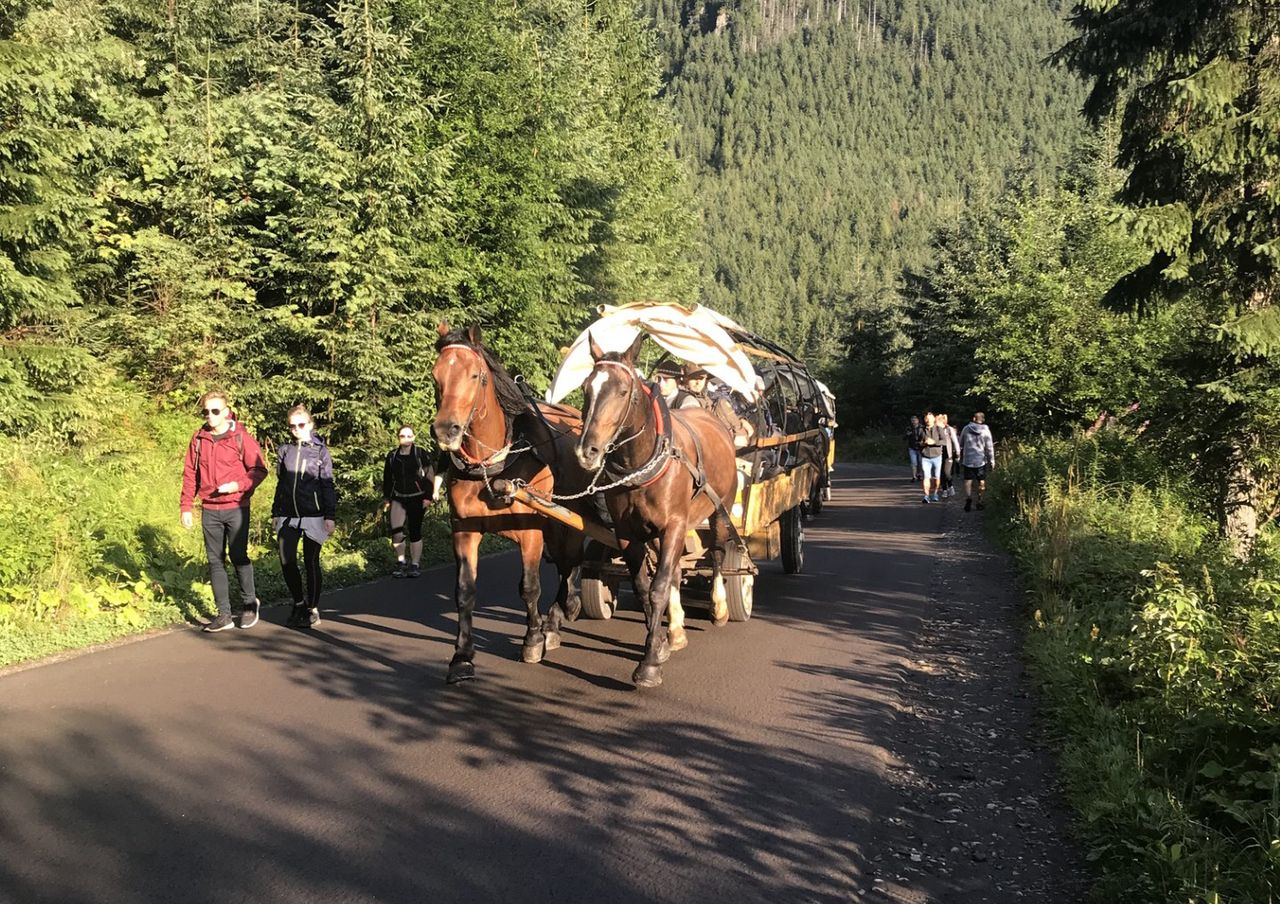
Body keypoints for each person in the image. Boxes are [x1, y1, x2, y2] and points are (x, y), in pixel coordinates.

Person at [180, 389, 269, 632]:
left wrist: (237, 486)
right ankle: (224, 614)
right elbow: (190, 474)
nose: (210, 415)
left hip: (236, 507)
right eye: (206, 411)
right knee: (214, 561)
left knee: (238, 556)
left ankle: (250, 604)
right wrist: (186, 506)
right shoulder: (199, 439)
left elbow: (259, 470)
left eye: (215, 411)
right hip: (209, 508)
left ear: (226, 412)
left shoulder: (241, 437)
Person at [271, 405, 337, 628]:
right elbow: (281, 484)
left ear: (310, 425)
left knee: (311, 561)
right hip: (288, 514)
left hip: (314, 515)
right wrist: (275, 512)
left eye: (301, 425)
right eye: (292, 426)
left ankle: (313, 608)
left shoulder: (320, 451)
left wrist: (330, 515)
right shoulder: (285, 450)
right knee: (286, 559)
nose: (296, 429)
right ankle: (298, 602)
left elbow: (327, 484)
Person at [382, 425, 436, 578]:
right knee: (396, 532)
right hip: (398, 498)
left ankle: (415, 564)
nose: (405, 439)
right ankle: (401, 562)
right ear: (398, 438)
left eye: (408, 436)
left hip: (417, 498)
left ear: (413, 438)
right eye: (402, 436)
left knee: (415, 531)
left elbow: (429, 476)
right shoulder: (392, 456)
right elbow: (387, 479)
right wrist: (387, 498)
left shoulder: (420, 454)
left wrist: (427, 497)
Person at [959, 411, 996, 512]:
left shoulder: (966, 428)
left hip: (968, 460)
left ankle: (968, 498)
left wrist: (958, 455)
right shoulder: (986, 430)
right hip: (980, 460)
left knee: (968, 480)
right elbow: (989, 447)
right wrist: (992, 460)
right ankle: (980, 499)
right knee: (981, 480)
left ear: (974, 418)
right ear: (983, 419)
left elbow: (960, 443)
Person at [918, 411, 947, 503]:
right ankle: (926, 496)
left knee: (936, 477)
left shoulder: (939, 429)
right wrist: (923, 443)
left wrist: (934, 442)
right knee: (926, 476)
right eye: (926, 418)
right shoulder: (921, 430)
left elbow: (944, 441)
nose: (928, 420)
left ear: (934, 419)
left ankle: (935, 493)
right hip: (925, 456)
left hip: (937, 456)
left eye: (930, 419)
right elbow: (918, 442)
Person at [939, 413, 961, 498]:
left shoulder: (949, 429)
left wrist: (958, 453)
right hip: (939, 454)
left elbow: (955, 441)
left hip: (949, 454)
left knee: (947, 472)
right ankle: (944, 490)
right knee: (941, 473)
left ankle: (950, 486)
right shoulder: (936, 430)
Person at [904, 415, 922, 482]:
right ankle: (914, 476)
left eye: (914, 420)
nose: (913, 422)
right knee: (913, 462)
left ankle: (919, 474)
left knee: (920, 462)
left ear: (917, 421)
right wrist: (907, 435)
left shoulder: (921, 428)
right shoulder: (909, 428)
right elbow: (904, 438)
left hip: (920, 447)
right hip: (912, 447)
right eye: (912, 421)